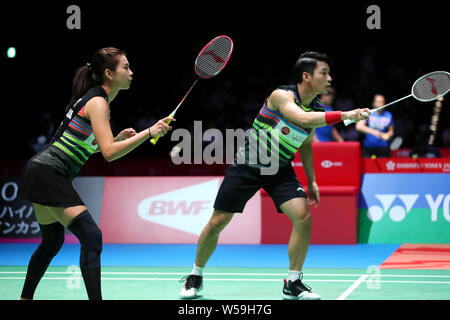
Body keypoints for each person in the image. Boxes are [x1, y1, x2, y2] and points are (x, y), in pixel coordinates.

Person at [179, 51, 370, 300]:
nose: (330, 78)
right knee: (218, 222)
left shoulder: (318, 108)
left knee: (303, 217)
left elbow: (305, 144)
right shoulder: (282, 95)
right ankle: (196, 275)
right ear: (306, 76)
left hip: (279, 169)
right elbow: (299, 117)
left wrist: (311, 180)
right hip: (248, 165)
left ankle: (293, 283)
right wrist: (346, 115)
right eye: (324, 73)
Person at [19, 47, 173, 300]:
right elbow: (110, 154)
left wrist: (117, 138)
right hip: (49, 173)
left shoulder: (93, 99)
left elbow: (86, 146)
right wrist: (149, 133)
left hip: (41, 171)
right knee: (92, 236)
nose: (131, 72)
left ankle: (24, 298)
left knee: (52, 242)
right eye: (126, 67)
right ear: (109, 73)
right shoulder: (98, 102)